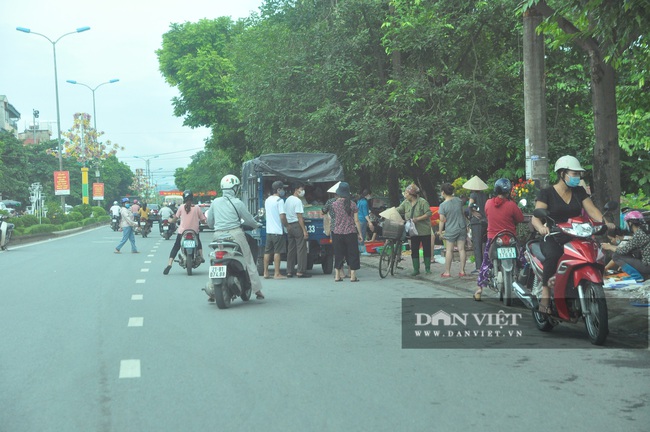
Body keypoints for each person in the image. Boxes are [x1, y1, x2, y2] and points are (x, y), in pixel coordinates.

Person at [531, 155, 616, 314]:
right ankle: (545, 293)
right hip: (553, 236)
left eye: (578, 174)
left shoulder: (579, 191)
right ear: (562, 173)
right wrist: (541, 228)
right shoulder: (547, 193)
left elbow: (592, 210)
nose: (577, 177)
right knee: (554, 256)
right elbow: (536, 218)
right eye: (574, 173)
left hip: (576, 235)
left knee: (592, 253)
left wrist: (604, 222)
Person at [207, 175, 264, 299]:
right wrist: (257, 224)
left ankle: (212, 291)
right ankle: (257, 290)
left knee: (214, 260)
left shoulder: (215, 202)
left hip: (218, 236)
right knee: (248, 260)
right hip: (235, 235)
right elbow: (249, 220)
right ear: (234, 188)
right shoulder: (238, 203)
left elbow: (209, 222)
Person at [474, 178, 524, 300]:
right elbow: (520, 219)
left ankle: (479, 289)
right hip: (511, 238)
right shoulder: (511, 205)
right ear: (509, 191)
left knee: (486, 263)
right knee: (523, 260)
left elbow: (488, 215)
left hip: (493, 238)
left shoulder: (488, 203)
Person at [163, 190, 207, 275]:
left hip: (182, 232)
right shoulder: (197, 208)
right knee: (199, 244)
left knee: (176, 247)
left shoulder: (181, 207)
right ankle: (201, 256)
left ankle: (169, 264)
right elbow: (203, 220)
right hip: (194, 231)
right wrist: (205, 222)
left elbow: (175, 218)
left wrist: (170, 220)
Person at [327, 182, 363, 282]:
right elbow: (356, 221)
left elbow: (330, 218)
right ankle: (352, 276)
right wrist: (360, 233)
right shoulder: (353, 204)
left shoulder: (334, 204)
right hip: (350, 232)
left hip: (337, 232)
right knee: (353, 254)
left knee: (338, 254)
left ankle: (337, 276)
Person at [602, 211, 650, 281]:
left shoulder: (639, 234)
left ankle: (638, 277)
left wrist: (609, 247)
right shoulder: (646, 230)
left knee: (616, 256)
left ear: (630, 223)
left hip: (648, 266)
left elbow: (623, 251)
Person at [397, 183, 433, 276]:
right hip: (413, 231)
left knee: (426, 249)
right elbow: (399, 209)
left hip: (424, 229)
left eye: (406, 193)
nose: (405, 195)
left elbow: (428, 213)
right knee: (414, 249)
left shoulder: (422, 202)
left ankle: (427, 268)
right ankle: (416, 269)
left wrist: (418, 219)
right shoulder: (406, 202)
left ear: (411, 194)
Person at [438, 183, 467, 277]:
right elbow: (462, 213)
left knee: (449, 250)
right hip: (462, 227)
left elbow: (442, 220)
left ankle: (447, 272)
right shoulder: (459, 200)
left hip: (451, 229)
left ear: (443, 192)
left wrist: (440, 232)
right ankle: (462, 271)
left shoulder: (443, 205)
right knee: (461, 249)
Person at [285, 183, 311, 278]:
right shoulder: (298, 201)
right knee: (301, 249)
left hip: (289, 226)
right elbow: (300, 217)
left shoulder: (288, 200)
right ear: (296, 190)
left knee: (291, 249)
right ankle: (300, 271)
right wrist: (304, 230)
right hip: (296, 225)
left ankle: (289, 271)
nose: (302, 191)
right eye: (301, 189)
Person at [263, 180, 288, 279]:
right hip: (277, 231)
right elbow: (282, 217)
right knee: (277, 252)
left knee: (267, 252)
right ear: (278, 189)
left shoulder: (268, 200)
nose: (283, 191)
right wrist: (287, 226)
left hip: (269, 231)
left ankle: (266, 272)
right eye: (282, 189)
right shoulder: (280, 201)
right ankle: (277, 273)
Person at [463, 176, 488, 274]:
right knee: (484, 244)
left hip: (476, 222)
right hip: (485, 221)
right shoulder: (484, 195)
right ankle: (485, 265)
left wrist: (472, 212)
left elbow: (470, 206)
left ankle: (478, 267)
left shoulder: (473, 195)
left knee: (477, 245)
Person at [357, 189, 373, 256]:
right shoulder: (365, 202)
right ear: (368, 195)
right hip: (362, 220)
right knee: (362, 235)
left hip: (358, 219)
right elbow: (365, 214)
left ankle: (359, 249)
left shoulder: (359, 201)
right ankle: (363, 250)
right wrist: (370, 222)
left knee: (359, 234)